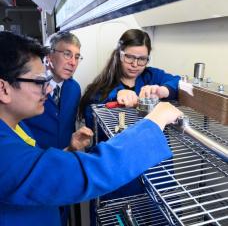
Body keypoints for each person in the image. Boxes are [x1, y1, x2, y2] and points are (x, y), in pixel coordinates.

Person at [0, 31, 183, 226]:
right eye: (39, 81)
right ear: (4, 89)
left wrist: (68, 151)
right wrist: (154, 124)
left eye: (142, 59)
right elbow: (81, 172)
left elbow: (38, 169)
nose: (49, 88)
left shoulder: (17, 130)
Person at [78, 29, 181, 222]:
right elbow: (95, 129)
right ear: (119, 54)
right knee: (120, 218)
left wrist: (163, 90)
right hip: (122, 178)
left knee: (162, 216)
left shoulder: (153, 77)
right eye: (130, 57)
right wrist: (115, 98)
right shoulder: (98, 91)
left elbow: (178, 82)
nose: (135, 64)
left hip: (157, 171)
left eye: (142, 59)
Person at [23, 31, 85, 225]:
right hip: (35, 170)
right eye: (67, 54)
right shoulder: (29, 89)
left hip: (64, 164)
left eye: (77, 56)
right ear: (49, 56)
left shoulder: (74, 89)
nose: (73, 62)